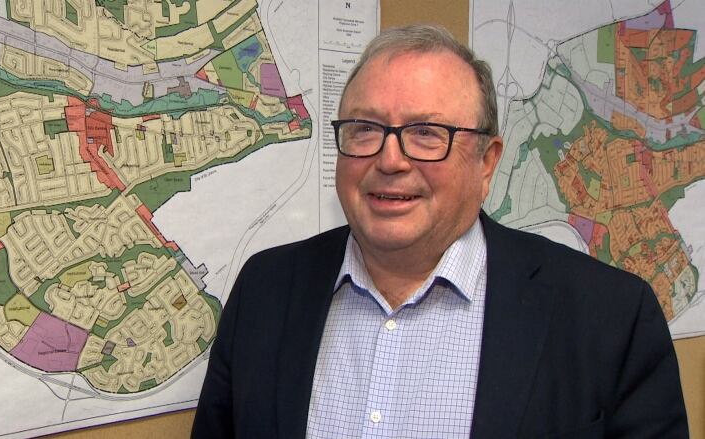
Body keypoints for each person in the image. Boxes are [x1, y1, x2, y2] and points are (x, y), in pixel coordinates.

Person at [192, 24, 688, 438]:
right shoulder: (265, 290)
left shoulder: (611, 319)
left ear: (487, 163)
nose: (389, 159)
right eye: (365, 128)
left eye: (427, 133)